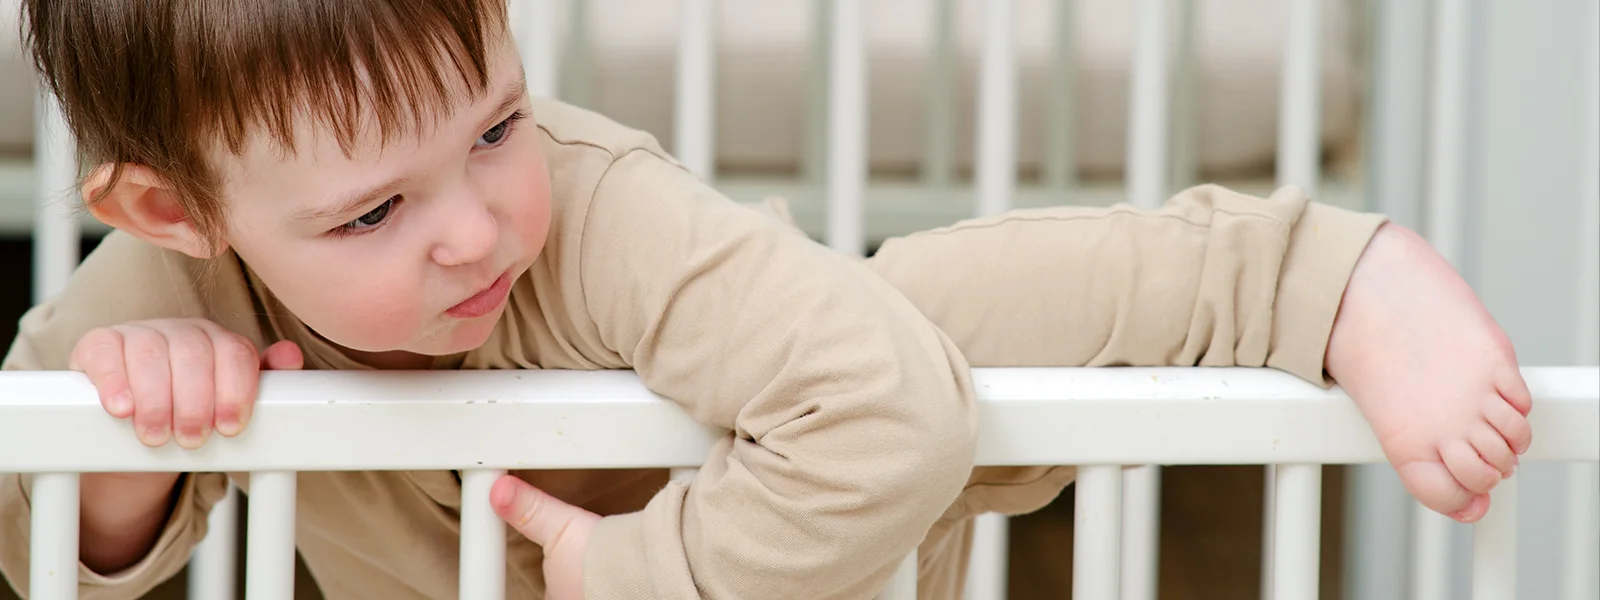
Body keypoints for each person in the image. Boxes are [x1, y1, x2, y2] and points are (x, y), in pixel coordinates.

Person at [1, 1, 1530, 598]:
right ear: (176, 209)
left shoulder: (590, 215)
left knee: (926, 323)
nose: (478, 230)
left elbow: (888, 414)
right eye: (377, 211)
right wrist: (132, 447)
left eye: (494, 126)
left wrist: (651, 567)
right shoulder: (156, 283)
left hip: (801, 558)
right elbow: (24, 530)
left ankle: (1306, 274)